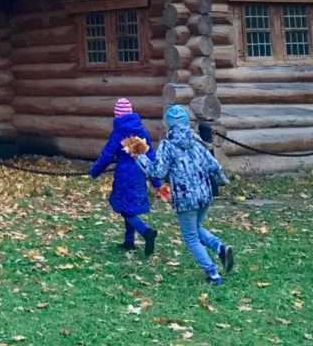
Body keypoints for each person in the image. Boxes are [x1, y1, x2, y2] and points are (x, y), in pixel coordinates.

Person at [134, 105, 233, 284]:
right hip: (204, 194)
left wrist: (139, 157)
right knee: (196, 228)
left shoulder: (167, 145)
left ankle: (213, 273)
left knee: (190, 237)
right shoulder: (197, 141)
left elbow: (157, 172)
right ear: (187, 122)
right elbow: (214, 165)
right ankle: (220, 248)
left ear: (168, 125)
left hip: (186, 198)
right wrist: (222, 181)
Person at [89, 97, 162, 255]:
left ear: (117, 115)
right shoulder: (141, 131)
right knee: (129, 207)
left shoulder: (119, 132)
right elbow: (151, 156)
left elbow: (107, 155)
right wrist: (156, 181)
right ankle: (129, 241)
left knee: (125, 209)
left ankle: (146, 231)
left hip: (124, 175)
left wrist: (95, 171)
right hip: (140, 174)